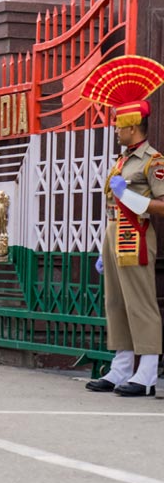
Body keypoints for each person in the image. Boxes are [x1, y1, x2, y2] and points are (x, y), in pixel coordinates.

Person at [84, 56, 164, 397]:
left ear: (133, 126)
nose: (116, 130)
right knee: (115, 302)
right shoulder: (122, 160)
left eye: (120, 125)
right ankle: (120, 367)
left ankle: (146, 373)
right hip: (115, 233)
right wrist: (105, 244)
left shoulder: (153, 162)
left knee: (140, 303)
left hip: (137, 236)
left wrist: (130, 198)